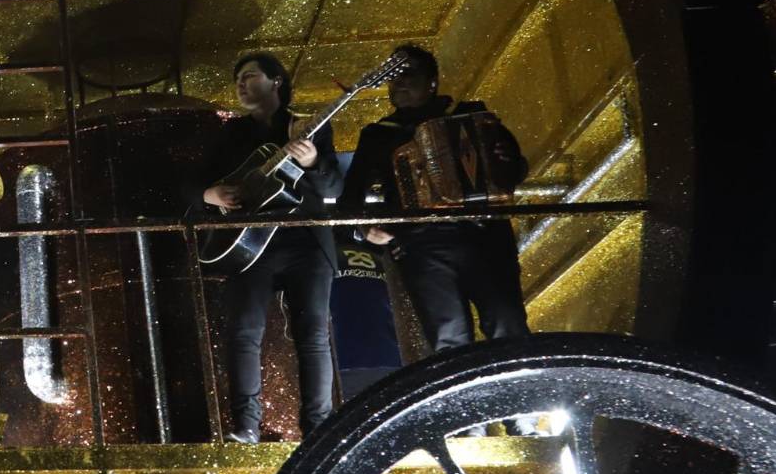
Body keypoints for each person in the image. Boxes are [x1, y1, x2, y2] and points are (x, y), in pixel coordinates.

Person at [340, 45, 530, 351]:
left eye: (409, 74)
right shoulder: (377, 135)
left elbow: (515, 172)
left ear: (432, 82)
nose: (399, 82)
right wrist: (364, 226)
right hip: (421, 244)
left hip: (485, 235)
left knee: (508, 325)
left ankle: (522, 381)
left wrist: (506, 159)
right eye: (393, 76)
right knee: (448, 338)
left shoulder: (473, 115)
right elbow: (350, 198)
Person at [198, 53, 342, 443]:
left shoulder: (307, 126)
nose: (241, 85)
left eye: (249, 76)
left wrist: (313, 162)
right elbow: (193, 185)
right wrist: (211, 194)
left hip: (306, 241)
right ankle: (246, 426)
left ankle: (318, 429)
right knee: (244, 332)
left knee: (313, 333)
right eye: (237, 80)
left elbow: (333, 187)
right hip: (248, 244)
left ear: (277, 81)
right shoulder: (229, 135)